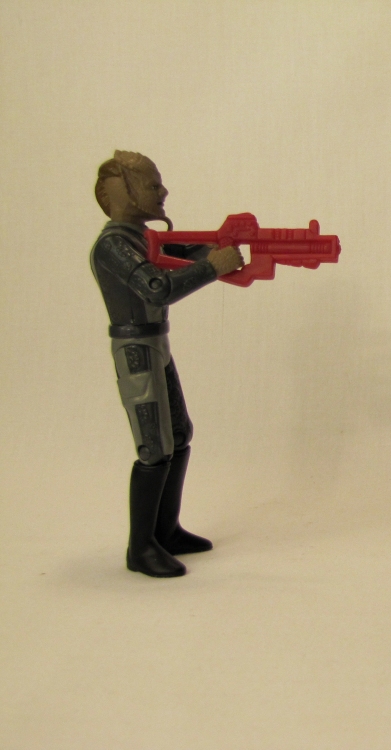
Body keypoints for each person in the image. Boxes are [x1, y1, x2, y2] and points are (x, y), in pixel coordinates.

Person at [90, 151, 244, 577]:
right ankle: (141, 548)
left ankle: (166, 531)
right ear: (124, 191)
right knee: (154, 446)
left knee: (178, 433)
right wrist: (213, 266)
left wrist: (218, 246)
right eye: (152, 184)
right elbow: (157, 286)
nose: (163, 191)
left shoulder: (140, 238)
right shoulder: (114, 246)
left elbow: (182, 252)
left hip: (155, 342)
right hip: (136, 349)